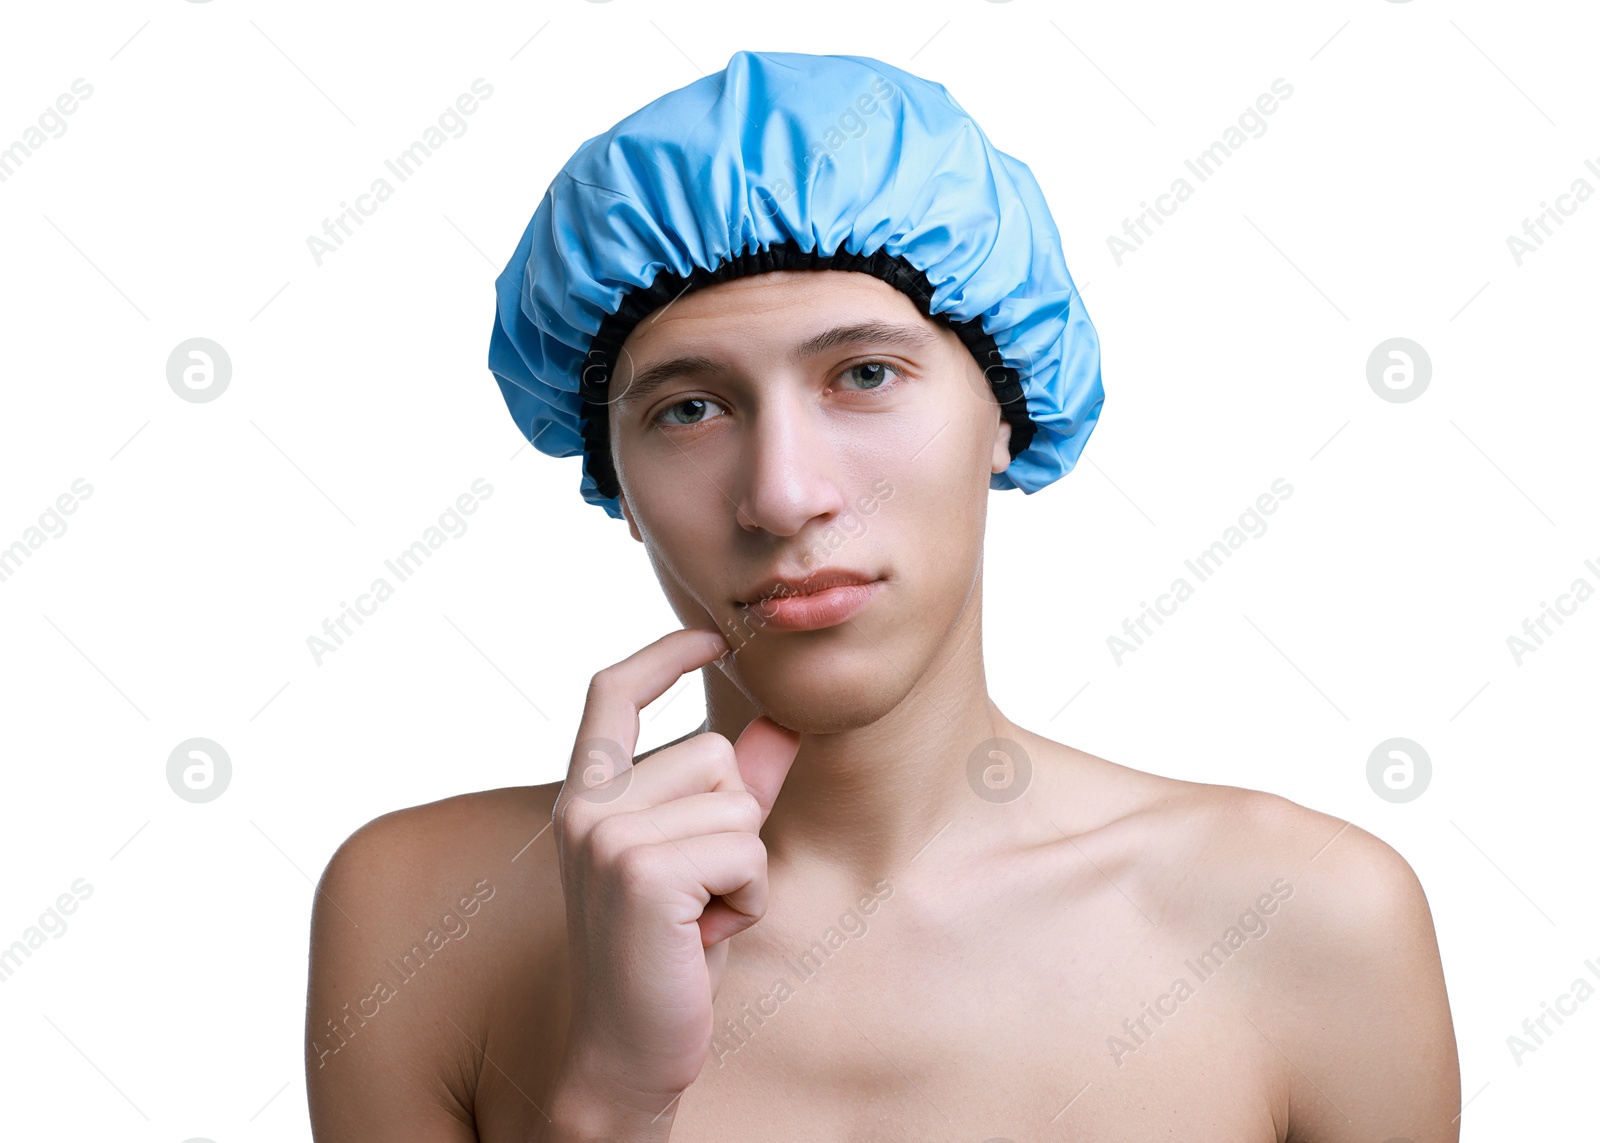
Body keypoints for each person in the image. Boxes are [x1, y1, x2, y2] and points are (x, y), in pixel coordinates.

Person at [305, 51, 1460, 1142]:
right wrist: (610, 1098)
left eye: (863, 374)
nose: (783, 494)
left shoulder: (1307, 922)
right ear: (612, 478)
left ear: (1007, 407)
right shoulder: (416, 916)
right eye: (687, 408)